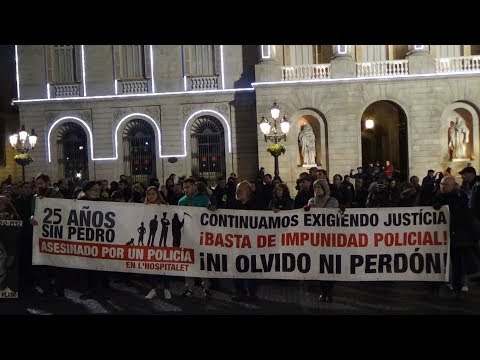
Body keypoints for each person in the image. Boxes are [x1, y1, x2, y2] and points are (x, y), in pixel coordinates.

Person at [304, 179, 339, 302]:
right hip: (316, 238)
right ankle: (323, 290)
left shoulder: (333, 202)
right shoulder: (311, 201)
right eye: (315, 188)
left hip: (329, 238)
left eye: (319, 187)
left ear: (325, 188)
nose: (317, 190)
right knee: (319, 266)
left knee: (329, 265)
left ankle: (329, 290)